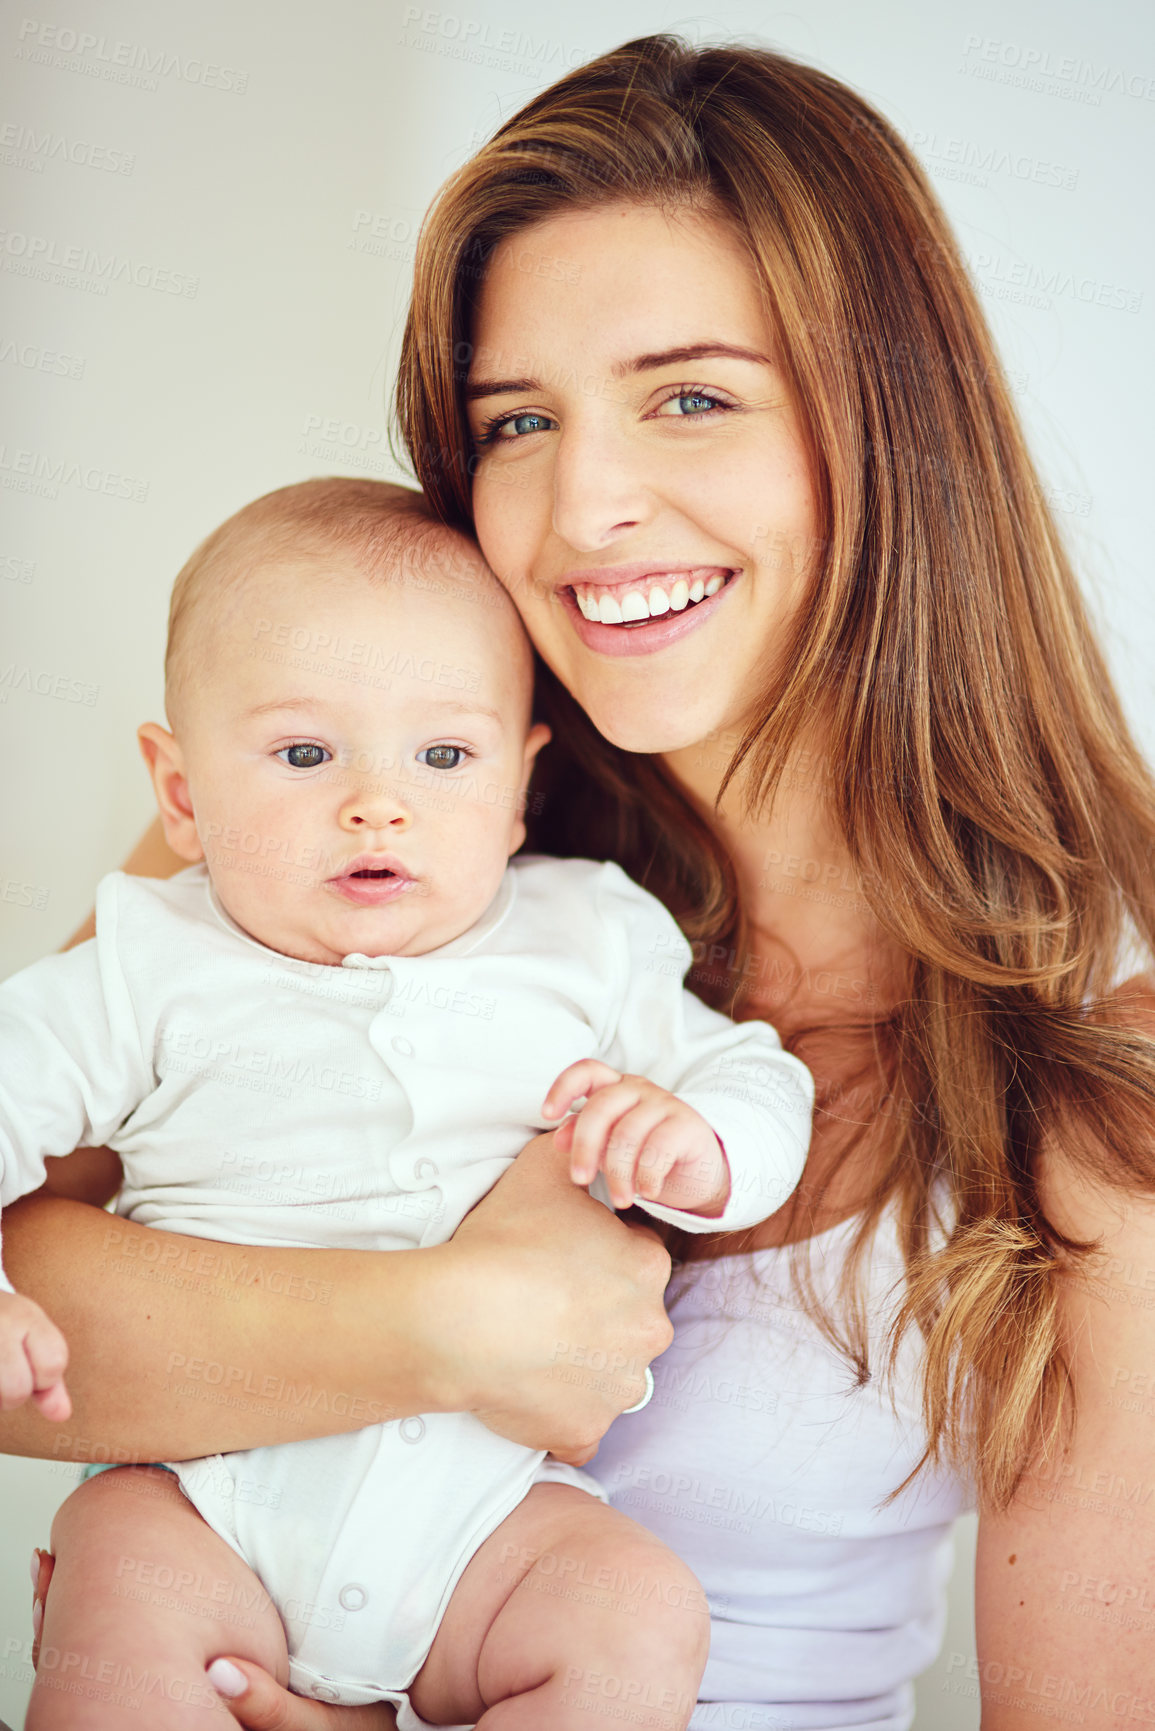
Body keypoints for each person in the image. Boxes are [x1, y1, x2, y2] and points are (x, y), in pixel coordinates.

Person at [16, 31, 1155, 1730]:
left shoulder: (1095, 1033)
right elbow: (42, 1325)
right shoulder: (352, 826)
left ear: (886, 433)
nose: (585, 504)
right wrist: (455, 1322)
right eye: (517, 421)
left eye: (690, 395)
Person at [5, 475, 813, 1728]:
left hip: (482, 1532)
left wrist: (705, 1145)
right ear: (181, 795)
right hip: (204, 1501)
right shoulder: (143, 961)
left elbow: (752, 1072)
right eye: (304, 753)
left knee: (636, 1613)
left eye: (444, 755)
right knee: (114, 1572)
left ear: (519, 788)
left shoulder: (587, 932)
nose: (378, 802)